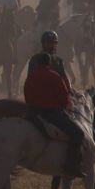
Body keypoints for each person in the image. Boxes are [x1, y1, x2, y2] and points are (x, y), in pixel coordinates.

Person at [24, 31, 83, 177]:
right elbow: (38, 81)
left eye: (53, 43)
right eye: (48, 43)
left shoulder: (59, 61)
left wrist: (71, 91)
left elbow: (65, 81)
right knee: (77, 133)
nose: (51, 45)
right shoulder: (35, 61)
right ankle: (70, 164)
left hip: (42, 102)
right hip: (51, 107)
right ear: (43, 43)